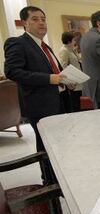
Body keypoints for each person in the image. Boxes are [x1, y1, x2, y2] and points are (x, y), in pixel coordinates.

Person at [4, 6, 67, 152]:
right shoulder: (17, 43)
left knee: (58, 143)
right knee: (46, 146)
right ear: (24, 23)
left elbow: (55, 71)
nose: (41, 23)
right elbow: (12, 72)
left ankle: (56, 174)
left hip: (59, 101)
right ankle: (48, 175)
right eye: (35, 19)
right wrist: (49, 79)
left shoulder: (45, 47)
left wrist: (66, 80)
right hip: (39, 104)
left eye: (43, 19)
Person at [59, 31, 83, 112]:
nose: (75, 42)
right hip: (72, 83)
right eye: (73, 40)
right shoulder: (64, 50)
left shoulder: (71, 49)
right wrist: (68, 81)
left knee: (79, 105)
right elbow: (63, 67)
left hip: (78, 82)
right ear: (69, 41)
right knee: (75, 106)